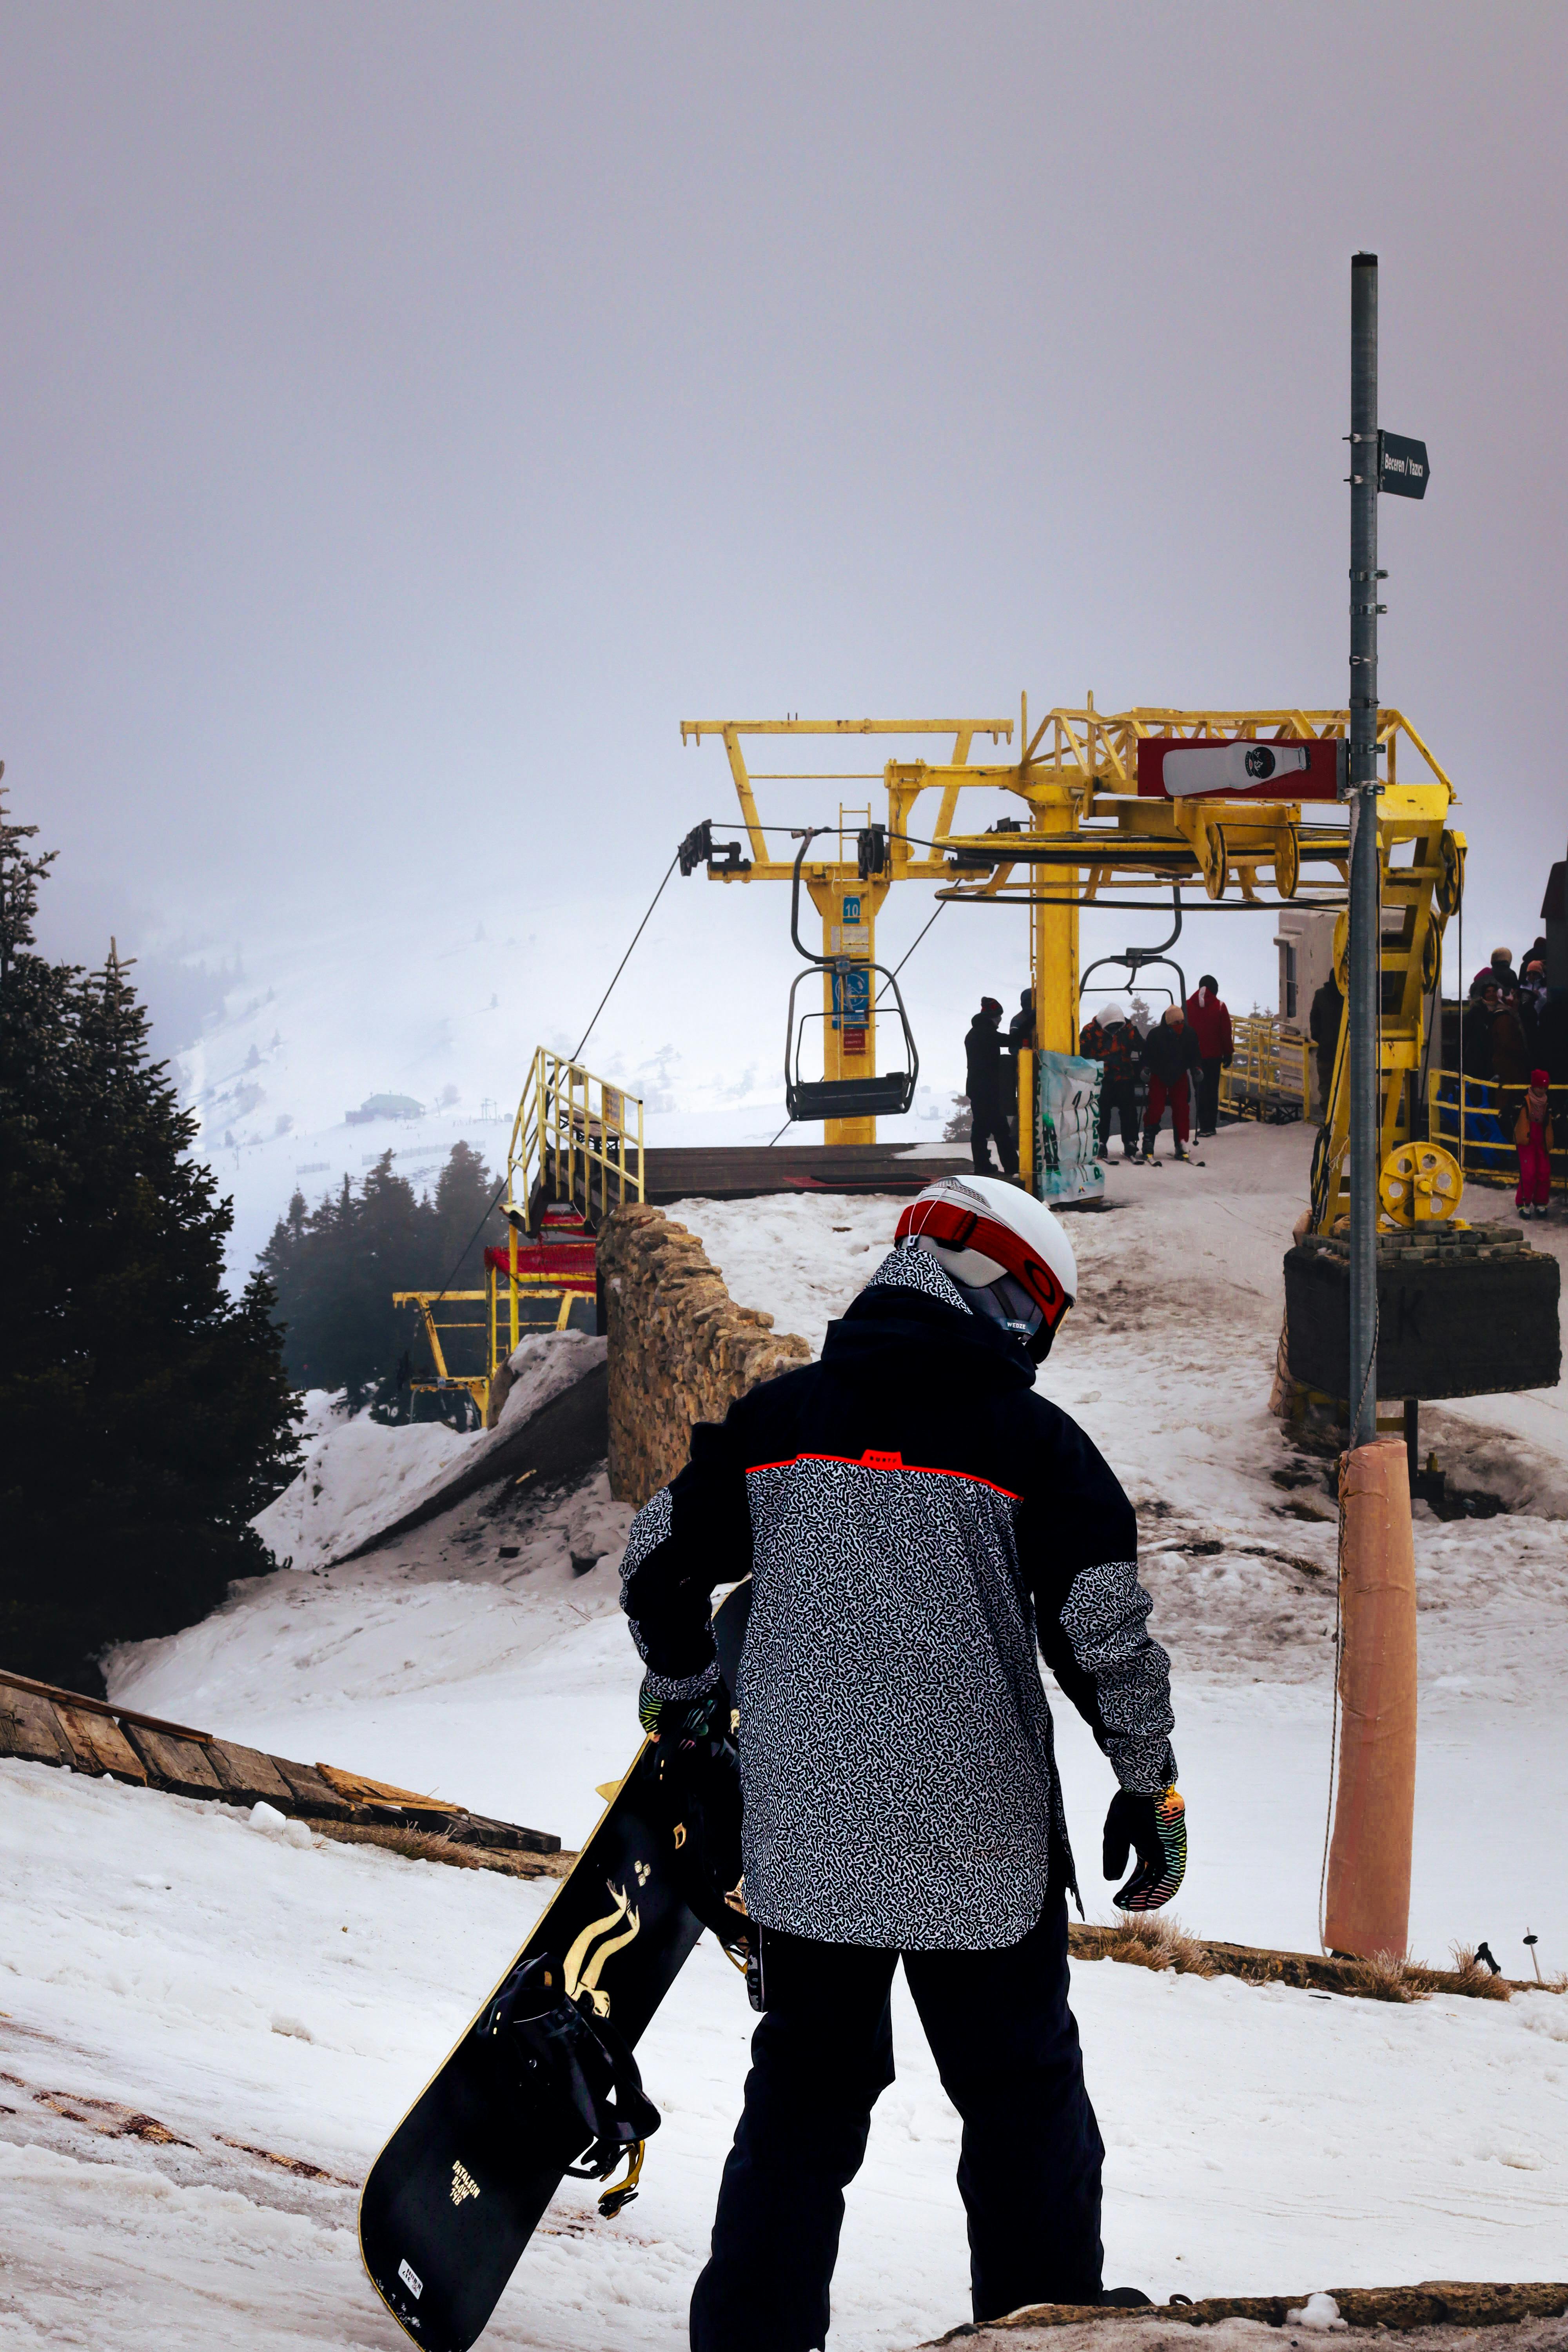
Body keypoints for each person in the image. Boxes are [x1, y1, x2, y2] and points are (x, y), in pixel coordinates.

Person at [619, 1175, 1183, 2350]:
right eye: (1039, 1318)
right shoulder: (1037, 1445)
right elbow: (1102, 1634)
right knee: (1023, 2111)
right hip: (980, 1861)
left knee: (799, 2114)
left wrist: (681, 1709)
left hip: (806, 1850)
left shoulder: (773, 1422)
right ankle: (1040, 2330)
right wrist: (1148, 1782)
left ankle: (749, 2339)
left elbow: (656, 1562)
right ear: (1005, 1299)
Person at [1080, 999, 1143, 1161]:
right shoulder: (1090, 1032)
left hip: (1124, 1077)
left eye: (1117, 1028)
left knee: (1129, 1109)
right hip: (1102, 1078)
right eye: (1111, 1029)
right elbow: (1081, 1053)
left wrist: (1145, 1067)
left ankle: (1130, 1140)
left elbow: (1142, 1047)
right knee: (1102, 1109)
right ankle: (1101, 1141)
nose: (1115, 1032)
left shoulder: (1128, 1030)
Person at [1140, 1004, 1202, 1162]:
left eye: (1181, 1023)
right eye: (1176, 1024)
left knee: (1182, 1107)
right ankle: (1149, 1141)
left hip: (1179, 1074)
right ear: (1168, 1024)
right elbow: (1147, 1055)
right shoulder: (1156, 1035)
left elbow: (1195, 1054)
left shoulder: (1189, 1034)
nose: (1179, 1027)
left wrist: (1196, 1069)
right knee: (1156, 1106)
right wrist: (1146, 1069)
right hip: (1159, 1074)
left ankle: (1182, 1142)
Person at [964, 996, 1017, 1178]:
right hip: (987, 1091)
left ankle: (984, 1165)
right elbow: (1010, 1041)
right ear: (992, 1017)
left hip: (979, 1090)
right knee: (999, 1130)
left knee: (982, 1129)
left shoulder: (975, 1033)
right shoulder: (985, 1033)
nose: (1000, 1020)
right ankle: (1011, 1168)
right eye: (999, 1016)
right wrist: (1028, 1025)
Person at [1184, 975, 1233, 1137]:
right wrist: (1228, 1053)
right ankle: (1210, 1126)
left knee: (1200, 1089)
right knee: (1211, 1090)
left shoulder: (1187, 1006)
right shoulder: (1220, 1006)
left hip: (1194, 1056)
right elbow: (1225, 1032)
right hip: (1214, 1056)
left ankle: (1202, 1124)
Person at [1514, 1069, 1554, 1219]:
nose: (1542, 1091)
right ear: (1534, 1086)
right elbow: (1512, 1112)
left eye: (1545, 1088)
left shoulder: (1548, 1102)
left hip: (1542, 1139)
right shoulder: (1524, 1099)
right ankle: (1523, 1203)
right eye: (1540, 1088)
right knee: (1529, 1172)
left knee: (1544, 1172)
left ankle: (1541, 1202)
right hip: (1527, 1139)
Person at [1308, 970, 1344, 1122]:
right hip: (1348, 1052)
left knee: (1327, 1088)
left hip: (1327, 1051)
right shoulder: (1351, 996)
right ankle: (1345, 1120)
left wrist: (1321, 1038)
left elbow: (1314, 1021)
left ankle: (1330, 1120)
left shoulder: (1321, 995)